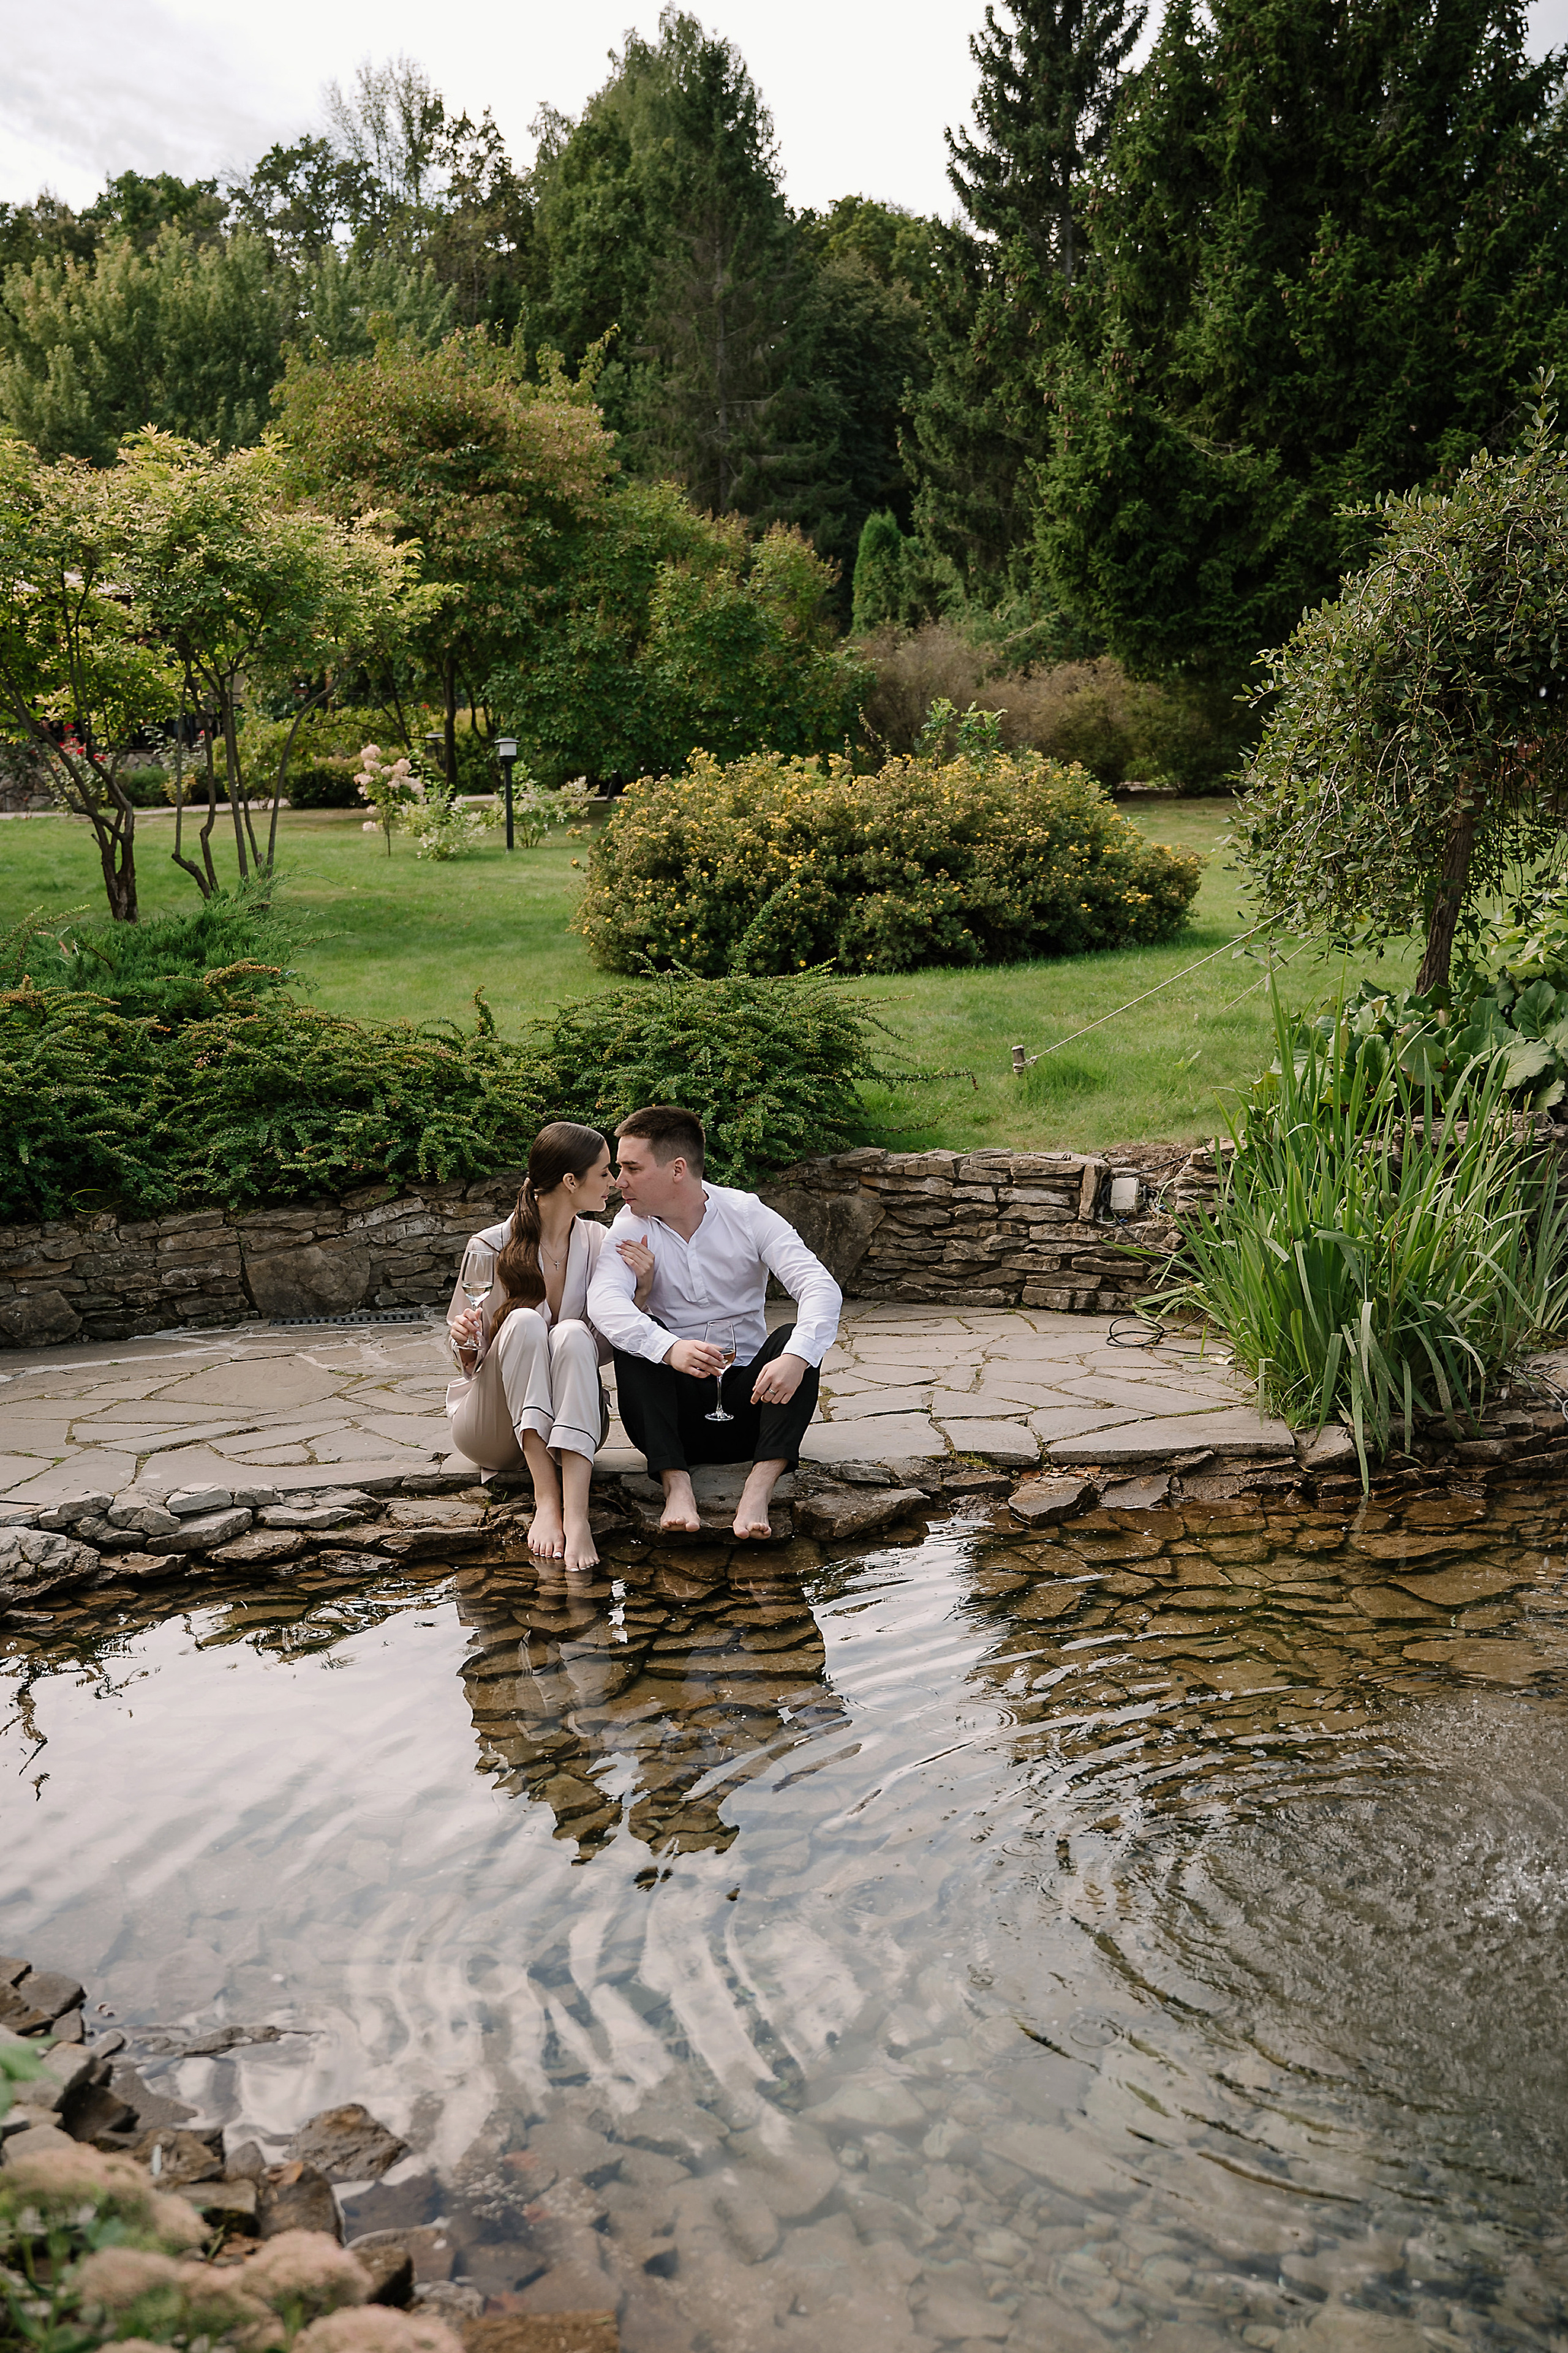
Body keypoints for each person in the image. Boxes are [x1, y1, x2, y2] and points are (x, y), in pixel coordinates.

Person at [587, 1104, 842, 1542]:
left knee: (794, 1341)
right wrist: (669, 1348)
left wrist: (798, 1356)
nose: (619, 1181)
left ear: (677, 1169)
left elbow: (818, 1285)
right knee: (638, 1339)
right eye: (619, 1169)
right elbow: (605, 1302)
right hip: (674, 1420)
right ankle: (676, 1485)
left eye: (632, 1168)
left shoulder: (746, 1213)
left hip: (754, 1408)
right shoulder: (629, 1226)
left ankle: (759, 1487)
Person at [446, 1121, 653, 1575]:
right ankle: (546, 1501)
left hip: (572, 1425)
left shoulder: (599, 1244)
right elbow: (468, 1360)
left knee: (574, 1333)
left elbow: (603, 1348)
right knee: (523, 1321)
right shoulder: (490, 1246)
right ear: (570, 1181)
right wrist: (466, 1339)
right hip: (494, 1431)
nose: (615, 1182)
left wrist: (639, 1294)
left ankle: (576, 1517)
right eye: (604, 1172)